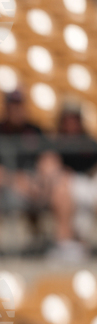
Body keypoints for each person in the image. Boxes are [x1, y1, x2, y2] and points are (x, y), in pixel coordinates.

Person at [0, 90, 76, 263]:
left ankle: (64, 243)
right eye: (12, 106)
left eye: (19, 106)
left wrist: (42, 178)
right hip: (4, 190)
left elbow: (50, 159)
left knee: (62, 181)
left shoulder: (35, 130)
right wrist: (14, 180)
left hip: (36, 188)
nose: (16, 110)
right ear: (5, 108)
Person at [49, 104, 97, 246]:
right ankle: (68, 242)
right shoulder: (55, 143)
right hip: (67, 182)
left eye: (74, 119)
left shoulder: (89, 142)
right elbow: (51, 166)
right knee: (65, 190)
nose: (71, 123)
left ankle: (83, 242)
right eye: (68, 119)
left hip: (89, 181)